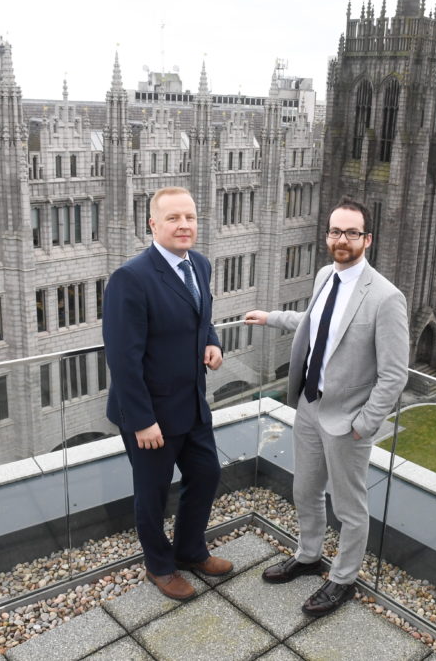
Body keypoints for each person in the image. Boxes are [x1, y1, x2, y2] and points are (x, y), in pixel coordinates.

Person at [244, 197, 409, 618]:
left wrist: (364, 425)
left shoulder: (386, 298)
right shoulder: (324, 276)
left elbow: (394, 375)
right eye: (336, 231)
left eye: (352, 232)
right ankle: (308, 556)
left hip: (348, 420)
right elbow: (317, 324)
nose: (342, 239)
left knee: (349, 507)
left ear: (367, 239)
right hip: (309, 407)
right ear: (327, 235)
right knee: (305, 490)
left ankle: (343, 579)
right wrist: (271, 317)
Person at [103, 186, 232, 601]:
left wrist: (211, 340)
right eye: (173, 218)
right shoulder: (131, 277)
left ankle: (191, 550)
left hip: (192, 403)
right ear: (153, 225)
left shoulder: (201, 265)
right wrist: (141, 420)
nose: (184, 225)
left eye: (189, 217)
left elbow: (202, 316)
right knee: (152, 494)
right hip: (151, 415)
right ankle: (159, 565)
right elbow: (123, 358)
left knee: (207, 473)